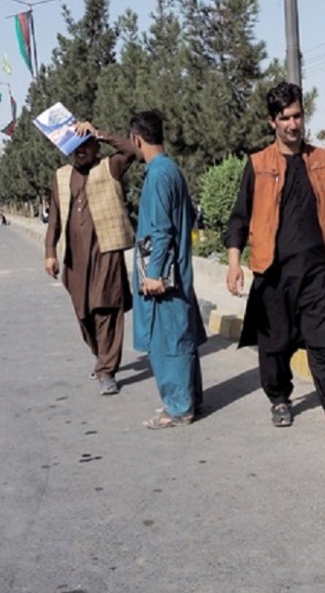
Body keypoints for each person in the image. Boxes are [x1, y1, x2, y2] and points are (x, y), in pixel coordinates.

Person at [225, 81, 325, 448]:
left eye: (297, 115)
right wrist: (235, 264)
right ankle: (279, 398)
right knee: (275, 345)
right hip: (273, 272)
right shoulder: (258, 165)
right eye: (284, 118)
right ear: (272, 122)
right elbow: (239, 219)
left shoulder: (320, 160)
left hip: (318, 270)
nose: (292, 124)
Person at [128, 110, 207, 429]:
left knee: (169, 341)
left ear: (137, 139)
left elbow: (161, 231)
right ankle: (190, 399)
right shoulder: (169, 169)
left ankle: (179, 408)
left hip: (165, 277)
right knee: (181, 339)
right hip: (178, 272)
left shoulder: (159, 175)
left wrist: (155, 273)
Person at [44, 121, 136, 395]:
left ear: (95, 147)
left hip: (106, 253)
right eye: (75, 146)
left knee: (105, 308)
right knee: (84, 314)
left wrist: (99, 132)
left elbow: (132, 150)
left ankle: (107, 370)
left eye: (86, 144)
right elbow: (55, 220)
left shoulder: (110, 167)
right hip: (76, 260)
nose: (81, 150)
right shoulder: (61, 176)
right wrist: (50, 252)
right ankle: (101, 357)